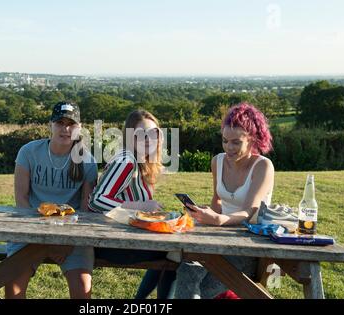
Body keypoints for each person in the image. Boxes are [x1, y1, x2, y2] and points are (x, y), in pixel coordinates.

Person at [174, 102, 275, 299]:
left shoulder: (263, 167)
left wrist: (219, 219)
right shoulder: (217, 162)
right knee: (186, 268)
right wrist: (205, 214)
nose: (229, 147)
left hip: (249, 246)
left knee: (201, 287)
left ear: (252, 139)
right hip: (218, 240)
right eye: (225, 140)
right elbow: (217, 203)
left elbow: (249, 211)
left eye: (236, 142)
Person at [5, 101, 98, 299]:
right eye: (60, 123)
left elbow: (85, 210)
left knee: (83, 290)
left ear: (79, 128)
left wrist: (67, 242)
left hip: (71, 233)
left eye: (71, 124)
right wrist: (41, 238)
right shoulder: (28, 152)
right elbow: (21, 200)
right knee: (13, 288)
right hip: (30, 229)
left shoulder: (87, 161)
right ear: (50, 125)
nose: (65, 129)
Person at [88, 110, 176, 299]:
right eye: (141, 135)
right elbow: (96, 200)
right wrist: (140, 206)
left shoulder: (140, 161)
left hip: (128, 236)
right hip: (114, 244)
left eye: (154, 133)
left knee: (174, 251)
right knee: (176, 252)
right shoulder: (126, 161)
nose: (148, 139)